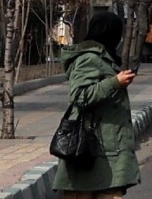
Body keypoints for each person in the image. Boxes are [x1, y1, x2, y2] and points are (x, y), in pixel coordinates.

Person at [53, 11, 141, 198]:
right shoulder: (89, 58)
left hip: (107, 149)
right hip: (90, 149)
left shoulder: (104, 57)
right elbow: (79, 95)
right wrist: (115, 83)